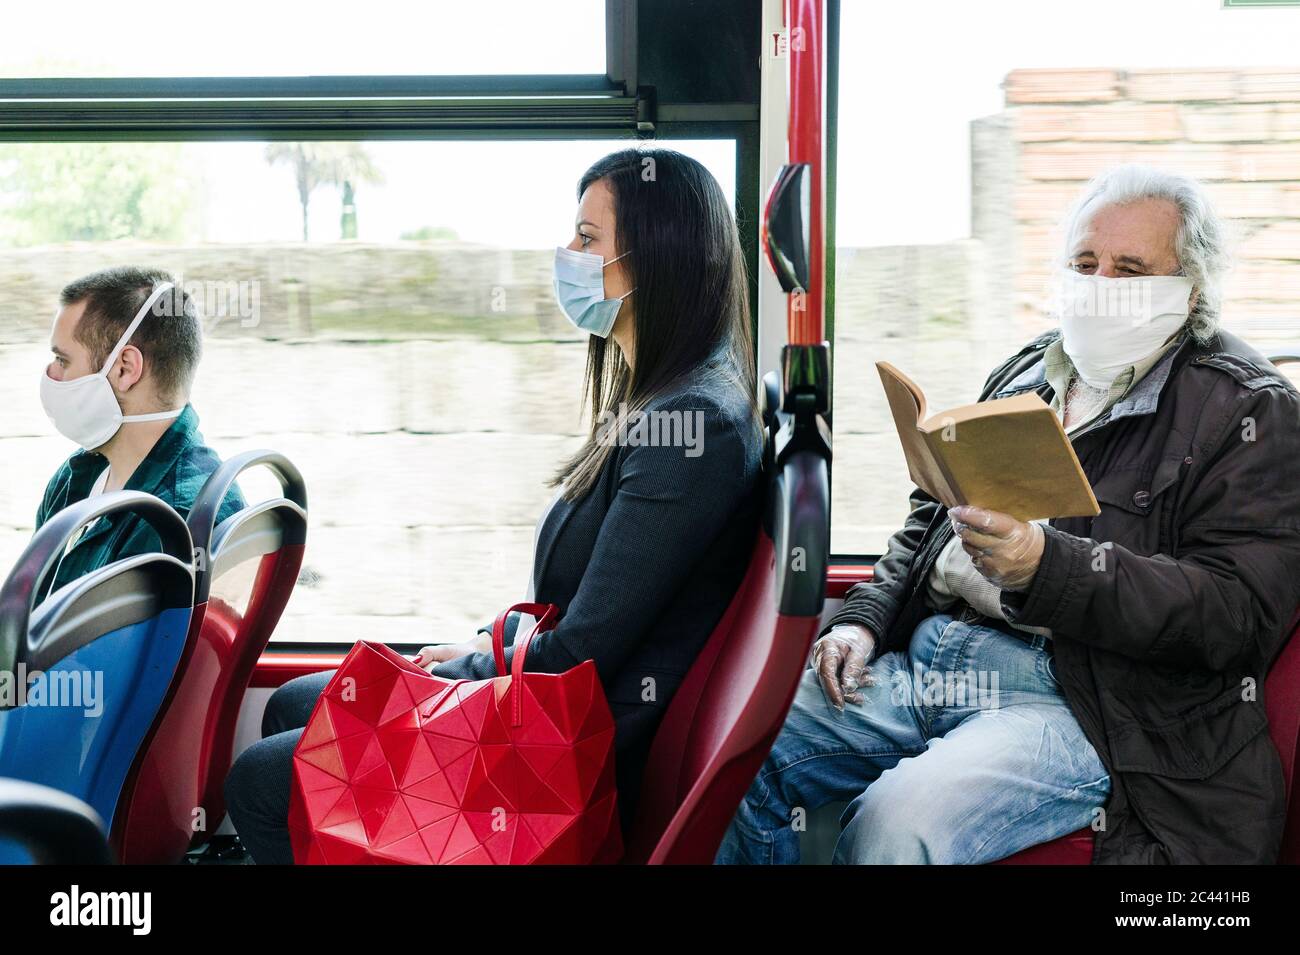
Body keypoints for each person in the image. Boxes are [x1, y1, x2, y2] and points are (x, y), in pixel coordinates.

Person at [718, 163, 1300, 865]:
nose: (1100, 287)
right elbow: (929, 520)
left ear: (1191, 287)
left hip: (1082, 697)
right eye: (1085, 264)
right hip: (934, 655)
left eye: (1130, 270)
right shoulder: (1029, 371)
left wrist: (1048, 567)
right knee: (744, 752)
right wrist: (865, 618)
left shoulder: (1247, 409)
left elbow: (1235, 613)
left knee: (895, 829)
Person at [225, 148, 765, 864]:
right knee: (295, 701)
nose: (567, 254)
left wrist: (475, 667)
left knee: (262, 779)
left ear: (654, 257)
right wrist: (485, 646)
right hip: (565, 710)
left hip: (573, 755)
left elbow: (583, 652)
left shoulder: (693, 428)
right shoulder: (662, 400)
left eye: (587, 238)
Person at [34, 266, 243, 602]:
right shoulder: (78, 475)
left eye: (62, 359)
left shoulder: (175, 526)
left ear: (124, 369)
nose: (50, 375)